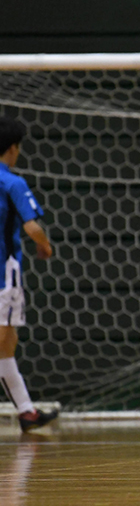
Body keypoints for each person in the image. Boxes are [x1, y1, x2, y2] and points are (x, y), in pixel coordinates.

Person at [0, 117, 57, 433]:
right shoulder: (12, 183)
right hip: (3, 275)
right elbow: (32, 226)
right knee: (2, 340)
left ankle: (26, 411)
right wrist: (45, 246)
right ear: (12, 148)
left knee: (7, 344)